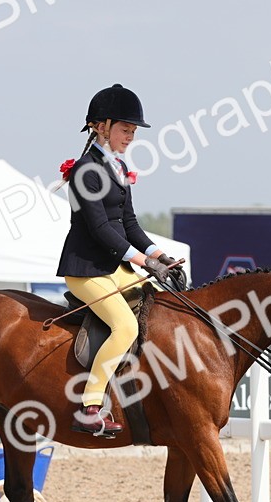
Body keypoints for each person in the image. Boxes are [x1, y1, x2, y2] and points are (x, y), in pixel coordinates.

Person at [56, 84, 182, 436]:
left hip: (115, 267)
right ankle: (90, 406)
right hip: (86, 270)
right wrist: (144, 262)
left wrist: (161, 258)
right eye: (126, 129)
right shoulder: (85, 171)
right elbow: (99, 229)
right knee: (125, 327)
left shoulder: (117, 167)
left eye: (133, 131)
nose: (131, 136)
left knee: (160, 308)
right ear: (102, 125)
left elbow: (128, 224)